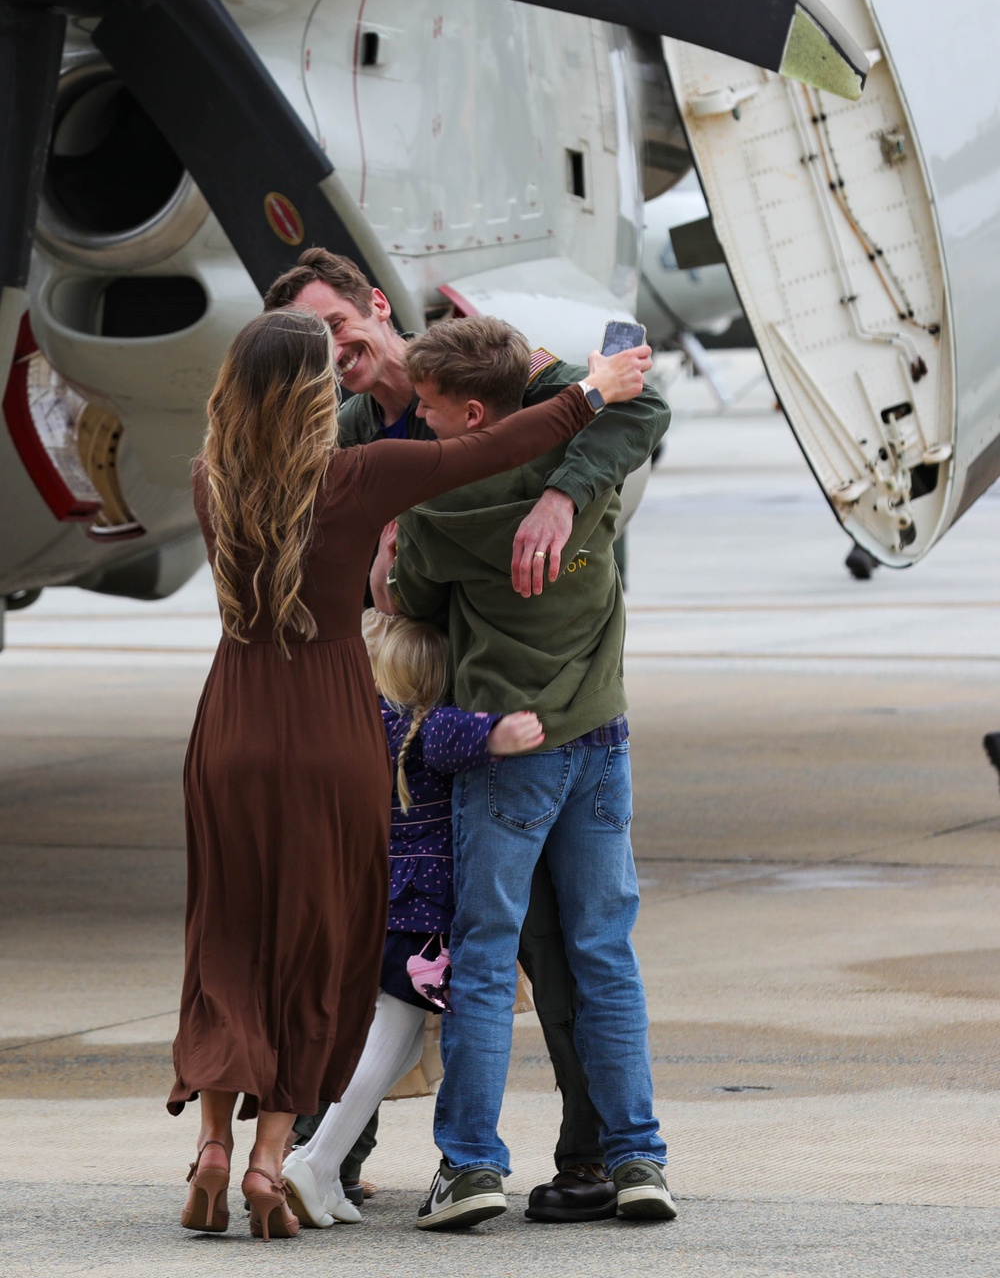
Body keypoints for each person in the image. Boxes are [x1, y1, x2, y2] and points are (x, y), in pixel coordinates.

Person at [167, 306, 648, 1242]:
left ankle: (214, 1147)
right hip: (330, 725)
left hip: (230, 724)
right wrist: (593, 390)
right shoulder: (357, 476)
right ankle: (273, 1160)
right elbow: (492, 447)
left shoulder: (208, 480)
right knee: (319, 942)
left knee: (227, 933)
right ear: (313, 395)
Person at [373, 316, 676, 1230]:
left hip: (508, 754)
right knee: (605, 954)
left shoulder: (437, 508)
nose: (421, 423)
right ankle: (637, 1157)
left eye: (430, 409)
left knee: (483, 958)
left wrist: (390, 560)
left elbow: (410, 602)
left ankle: (470, 1165)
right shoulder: (587, 476)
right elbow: (639, 407)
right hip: (602, 745)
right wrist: (566, 467)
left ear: (473, 415)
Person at [282, 611, 545, 1227]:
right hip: (418, 918)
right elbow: (459, 734)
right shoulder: (425, 724)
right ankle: (314, 1162)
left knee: (389, 1048)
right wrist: (503, 729)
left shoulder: (365, 722)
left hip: (372, 907)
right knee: (394, 1041)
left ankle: (325, 1168)